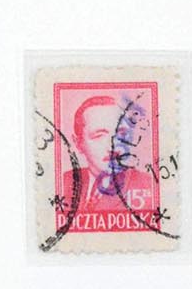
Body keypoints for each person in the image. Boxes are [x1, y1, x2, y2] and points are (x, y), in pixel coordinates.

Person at [67, 91, 156, 221]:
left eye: (120, 134)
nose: (112, 146)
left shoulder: (148, 185)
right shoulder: (65, 183)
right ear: (78, 143)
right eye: (99, 136)